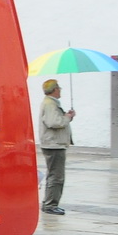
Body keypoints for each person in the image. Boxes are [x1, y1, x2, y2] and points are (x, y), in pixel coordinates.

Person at [38, 78, 75, 215]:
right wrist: (67, 117)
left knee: (54, 174)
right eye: (59, 88)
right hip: (54, 144)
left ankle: (49, 203)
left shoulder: (50, 103)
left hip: (54, 144)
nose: (60, 90)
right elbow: (53, 122)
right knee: (56, 176)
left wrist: (66, 117)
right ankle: (50, 205)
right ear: (54, 89)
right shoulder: (50, 104)